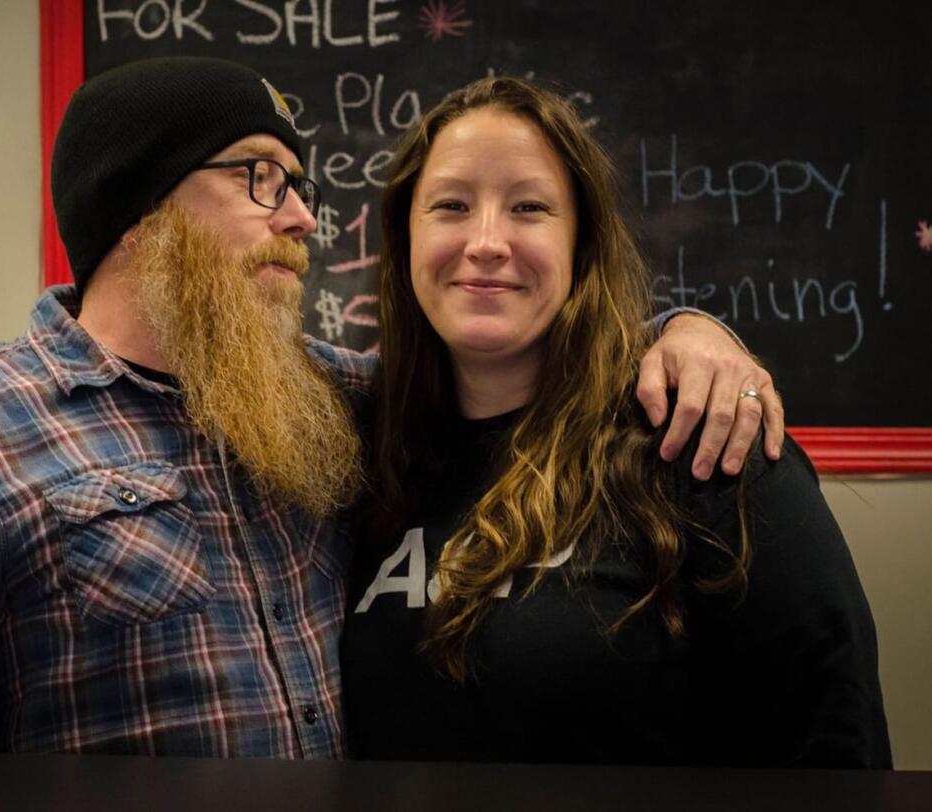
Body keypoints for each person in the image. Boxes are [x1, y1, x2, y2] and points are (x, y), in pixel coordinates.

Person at [0, 58, 780, 756]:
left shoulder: (330, 397)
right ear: (138, 210)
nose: (301, 219)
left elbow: (518, 349)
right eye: (259, 178)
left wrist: (686, 330)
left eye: (299, 186)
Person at [341, 76, 890, 768]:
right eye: (451, 205)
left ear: (582, 246)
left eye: (529, 207)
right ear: (404, 239)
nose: (486, 241)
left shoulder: (700, 438)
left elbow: (837, 738)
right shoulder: (358, 454)